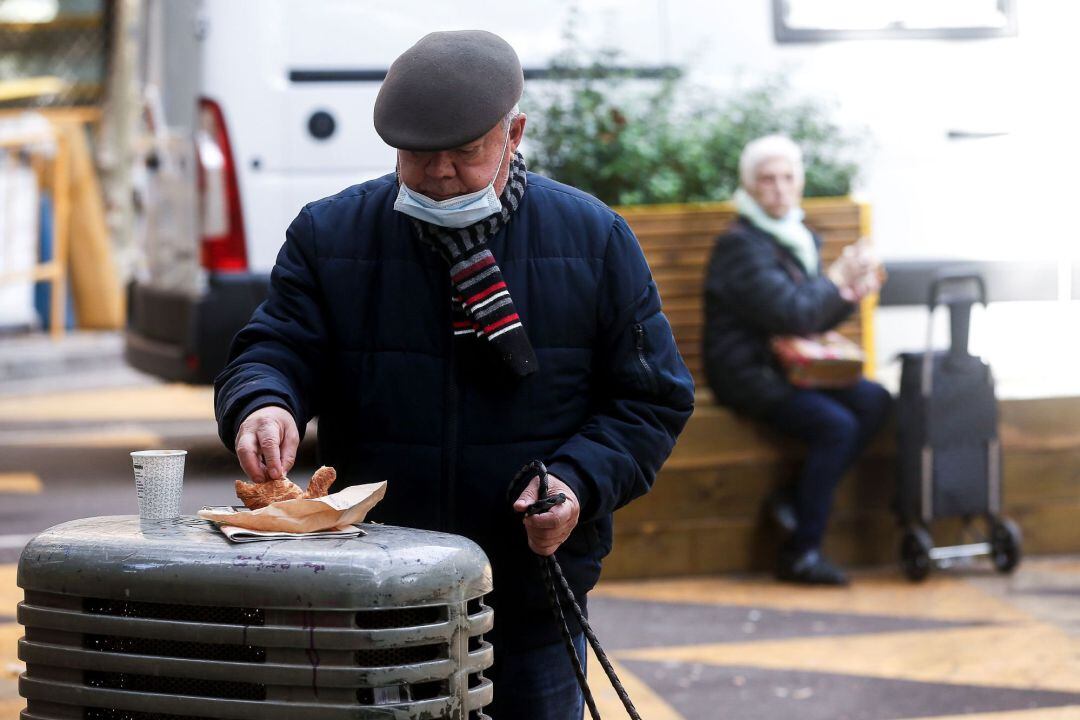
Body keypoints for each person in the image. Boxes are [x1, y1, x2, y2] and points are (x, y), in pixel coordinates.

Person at [214, 30, 694, 719]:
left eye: (466, 152)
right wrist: (264, 402)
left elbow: (650, 399)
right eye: (418, 154)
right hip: (372, 592)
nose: (440, 172)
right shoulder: (331, 235)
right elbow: (273, 348)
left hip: (530, 598)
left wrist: (577, 482)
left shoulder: (594, 239)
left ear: (514, 133)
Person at [703, 134, 890, 586]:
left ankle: (792, 499)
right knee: (835, 425)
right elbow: (794, 312)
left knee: (876, 401)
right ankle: (801, 552)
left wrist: (851, 290)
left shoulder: (795, 237)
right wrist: (837, 280)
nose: (780, 188)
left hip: (792, 367)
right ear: (749, 187)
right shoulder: (742, 246)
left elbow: (810, 314)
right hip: (749, 372)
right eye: (767, 180)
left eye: (788, 178)